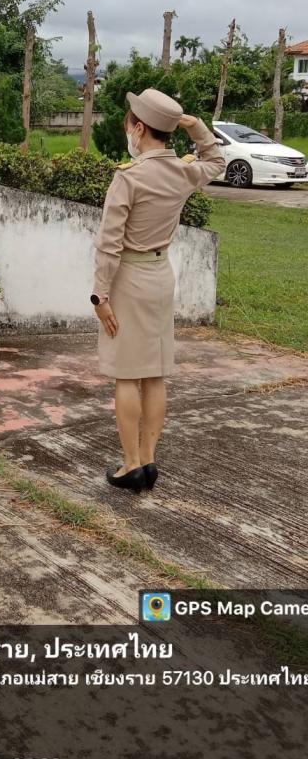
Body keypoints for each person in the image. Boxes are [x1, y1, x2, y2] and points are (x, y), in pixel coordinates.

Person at [91, 88, 225, 492]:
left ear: (139, 128)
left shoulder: (128, 177)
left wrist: (100, 295)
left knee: (126, 374)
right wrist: (195, 127)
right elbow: (216, 161)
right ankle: (149, 460)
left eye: (129, 125)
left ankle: (130, 465)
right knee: (154, 373)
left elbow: (109, 243)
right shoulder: (182, 172)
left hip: (129, 279)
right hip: (161, 275)